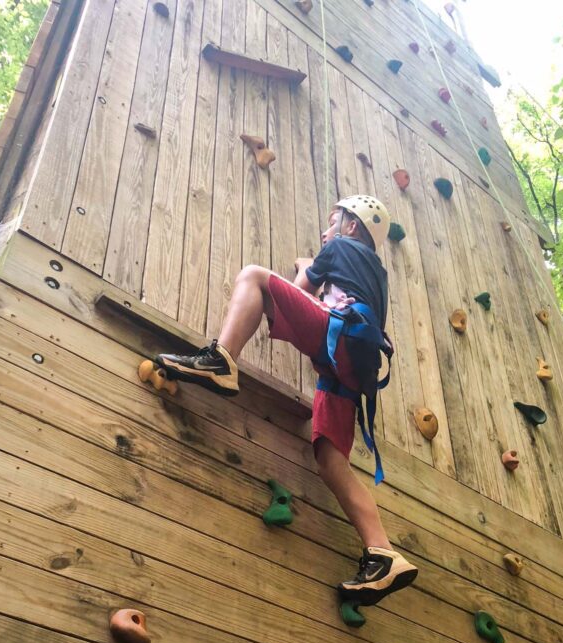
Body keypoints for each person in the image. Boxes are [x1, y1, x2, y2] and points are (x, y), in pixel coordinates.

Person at [154, 195, 418, 607]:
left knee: (256, 277)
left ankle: (220, 360)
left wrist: (305, 266)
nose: (325, 231)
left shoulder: (341, 248)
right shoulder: (374, 275)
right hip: (353, 369)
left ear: (351, 227)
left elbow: (292, 295)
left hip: (341, 339)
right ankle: (383, 553)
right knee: (332, 462)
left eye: (332, 222)